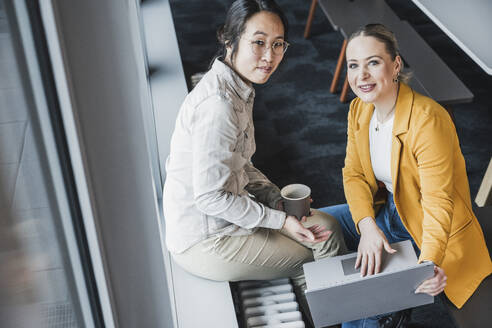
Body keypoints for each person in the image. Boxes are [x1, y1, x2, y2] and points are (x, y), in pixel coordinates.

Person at [163, 0, 346, 323]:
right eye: (258, 42)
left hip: (228, 219)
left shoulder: (238, 88)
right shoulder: (218, 106)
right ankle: (328, 312)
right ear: (230, 40)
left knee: (328, 229)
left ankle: (335, 309)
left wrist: (276, 200)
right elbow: (209, 197)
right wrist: (280, 221)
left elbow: (242, 164)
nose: (269, 56)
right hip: (206, 240)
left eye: (278, 45)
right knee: (313, 255)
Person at [320, 23, 492, 328]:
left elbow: (439, 202)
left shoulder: (427, 120)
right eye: (353, 65)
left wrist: (428, 264)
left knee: (368, 300)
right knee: (317, 225)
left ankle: (385, 313)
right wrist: (367, 226)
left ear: (396, 64)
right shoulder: (360, 109)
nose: (361, 76)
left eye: (373, 62)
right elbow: (354, 173)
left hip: (426, 225)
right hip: (387, 212)